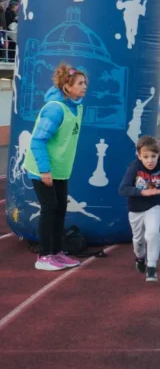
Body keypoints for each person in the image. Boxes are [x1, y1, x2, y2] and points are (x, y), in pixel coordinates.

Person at [23, 64, 87, 271]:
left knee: (60, 209)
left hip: (59, 170)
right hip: (43, 168)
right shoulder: (54, 109)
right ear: (67, 86)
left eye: (85, 82)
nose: (85, 86)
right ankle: (44, 256)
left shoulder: (76, 106)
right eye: (80, 83)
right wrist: (44, 170)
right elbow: (37, 141)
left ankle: (58, 251)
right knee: (49, 209)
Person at [119, 136, 160, 281]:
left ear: (159, 155)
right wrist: (142, 192)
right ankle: (140, 257)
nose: (150, 160)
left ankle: (152, 267)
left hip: (153, 207)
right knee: (138, 241)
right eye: (146, 157)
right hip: (135, 209)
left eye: (153, 156)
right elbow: (123, 189)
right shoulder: (134, 168)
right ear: (139, 156)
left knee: (153, 233)